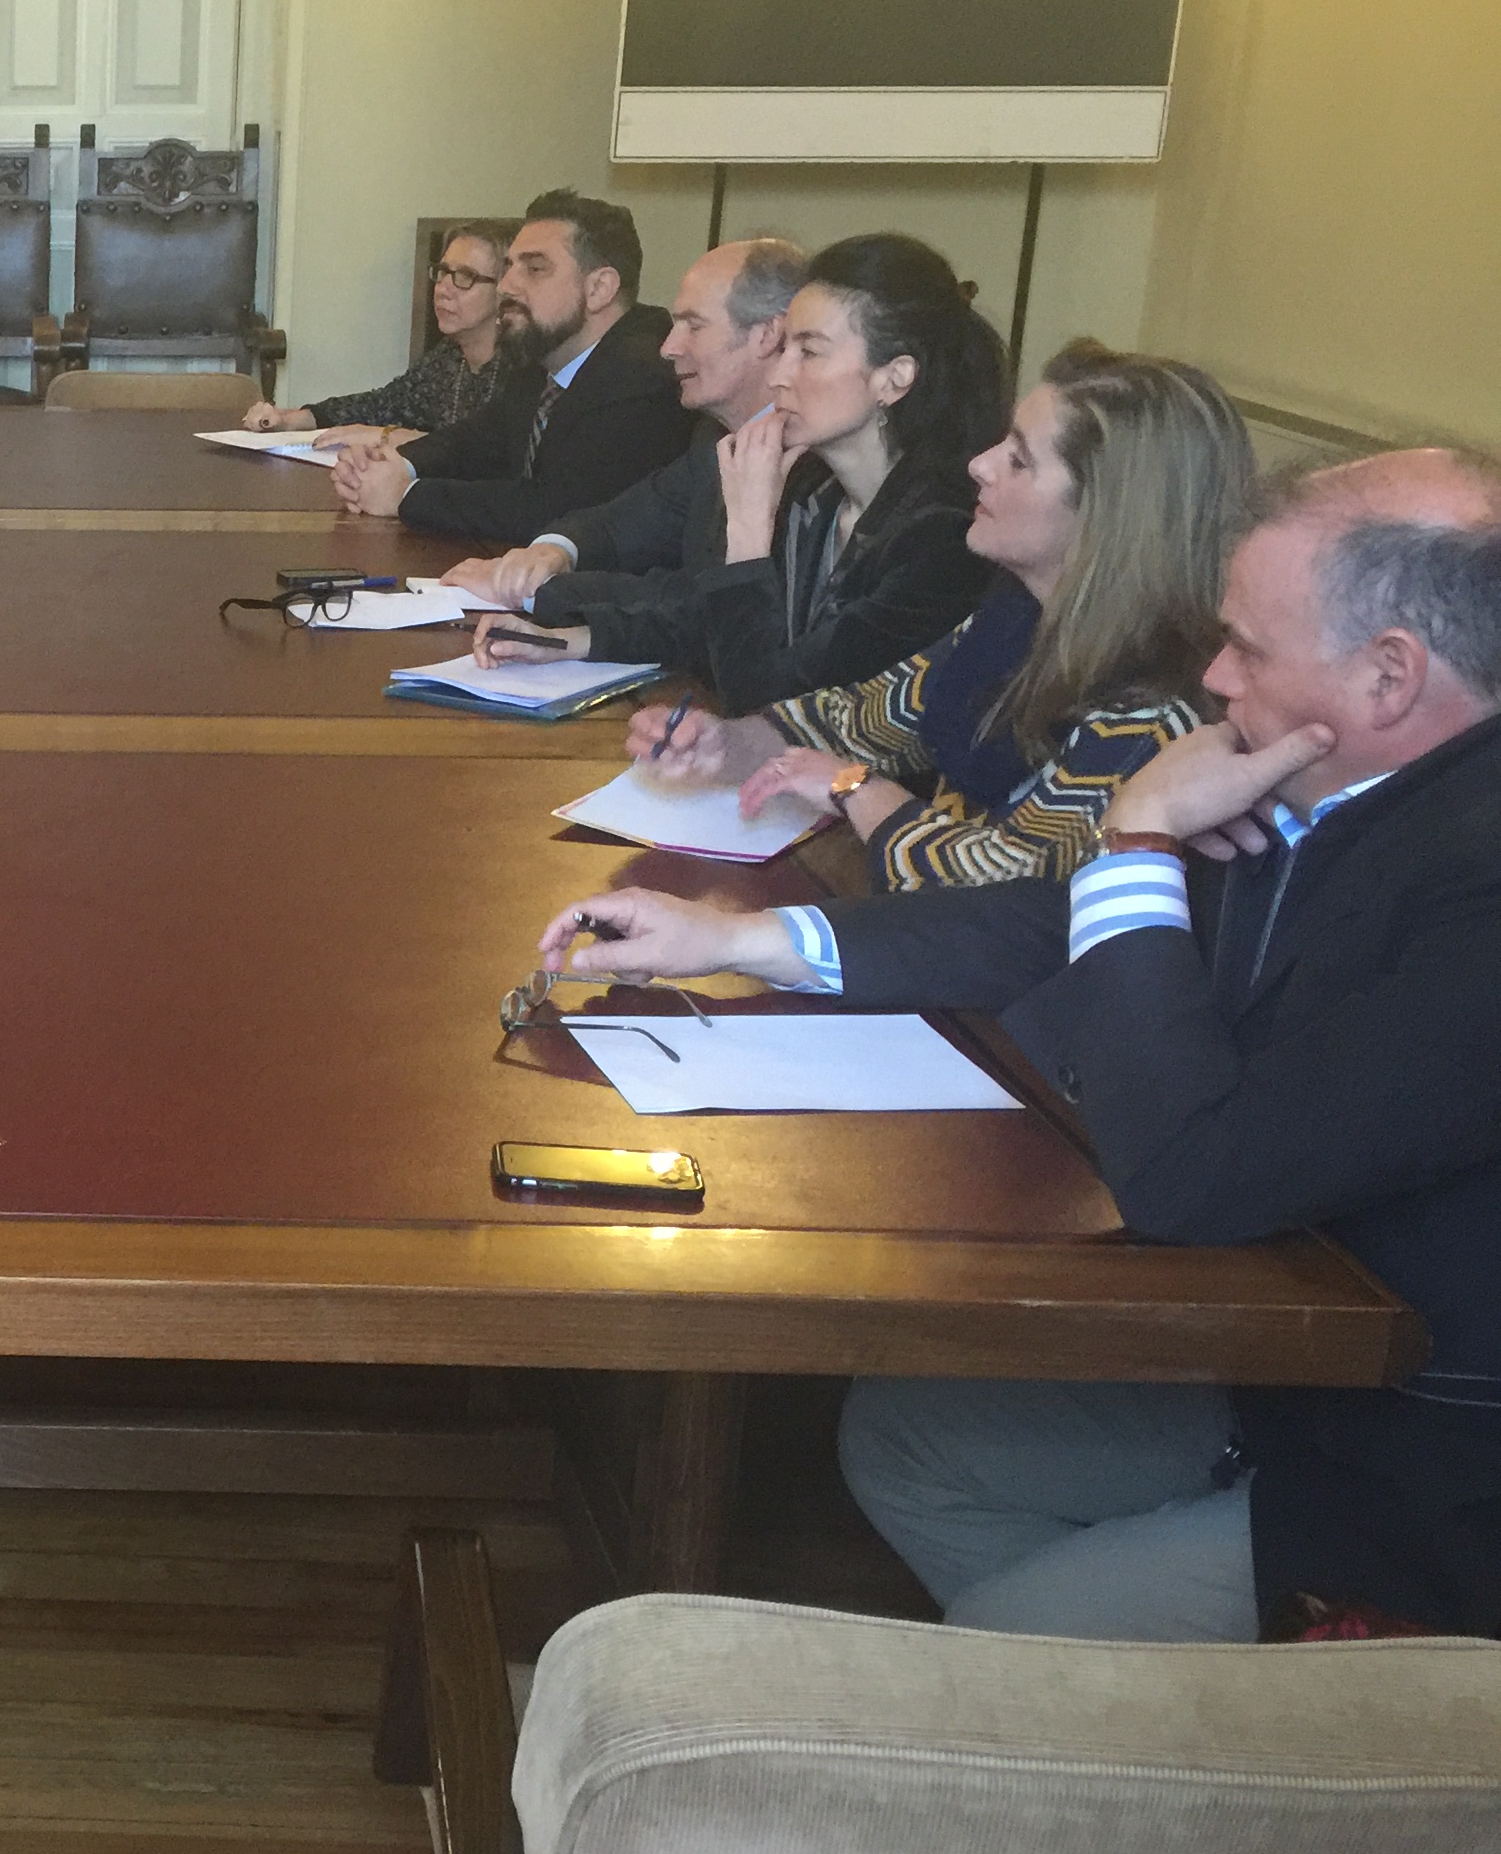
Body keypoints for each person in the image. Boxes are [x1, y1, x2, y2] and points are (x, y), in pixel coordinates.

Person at [533, 448, 1501, 1642]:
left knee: (1005, 1628)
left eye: (1248, 648)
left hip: (1410, 1471)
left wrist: (1138, 837)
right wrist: (744, 938)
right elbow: (1058, 929)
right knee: (910, 1441)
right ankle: (1163, 1699)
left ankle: (1163, 1702)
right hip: (1282, 1370)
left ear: (1389, 676)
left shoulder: (1476, 880)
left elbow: (1194, 1177)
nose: (1214, 676)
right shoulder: (1344, 783)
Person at [627, 342, 1248, 889]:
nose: (981, 464)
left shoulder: (1155, 706)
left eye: (1019, 459)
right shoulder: (1014, 619)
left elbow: (1007, 880)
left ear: (1107, 516)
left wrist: (854, 789)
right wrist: (728, 742)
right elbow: (860, 719)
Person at [460, 234, 1002, 709]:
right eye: (785, 348)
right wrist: (572, 640)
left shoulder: (942, 536)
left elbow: (767, 699)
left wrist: (747, 535)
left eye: (810, 352)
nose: (780, 375)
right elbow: (706, 619)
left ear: (895, 378)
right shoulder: (820, 490)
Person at [324, 190, 694, 546]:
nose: (506, 286)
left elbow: (555, 508)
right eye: (509, 267)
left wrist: (406, 496)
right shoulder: (546, 354)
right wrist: (394, 464)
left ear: (599, 289)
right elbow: (479, 440)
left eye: (534, 269)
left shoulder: (644, 377)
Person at [239, 219, 514, 447]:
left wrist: (384, 436)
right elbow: (384, 405)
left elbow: (481, 453)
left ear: (506, 290)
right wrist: (293, 419)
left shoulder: (521, 370)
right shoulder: (450, 355)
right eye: (443, 272)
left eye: (465, 276)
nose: (443, 288)